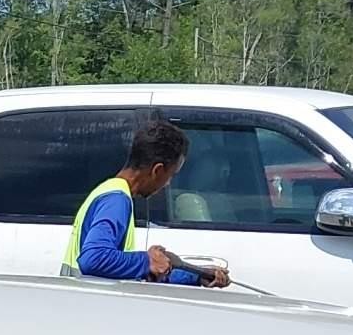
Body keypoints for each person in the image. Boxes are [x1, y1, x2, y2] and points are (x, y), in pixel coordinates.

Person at [62, 116, 231, 288]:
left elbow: (124, 271)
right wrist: (146, 261)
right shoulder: (116, 200)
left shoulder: (110, 191)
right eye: (170, 175)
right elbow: (93, 259)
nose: (168, 184)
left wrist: (195, 276)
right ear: (157, 170)